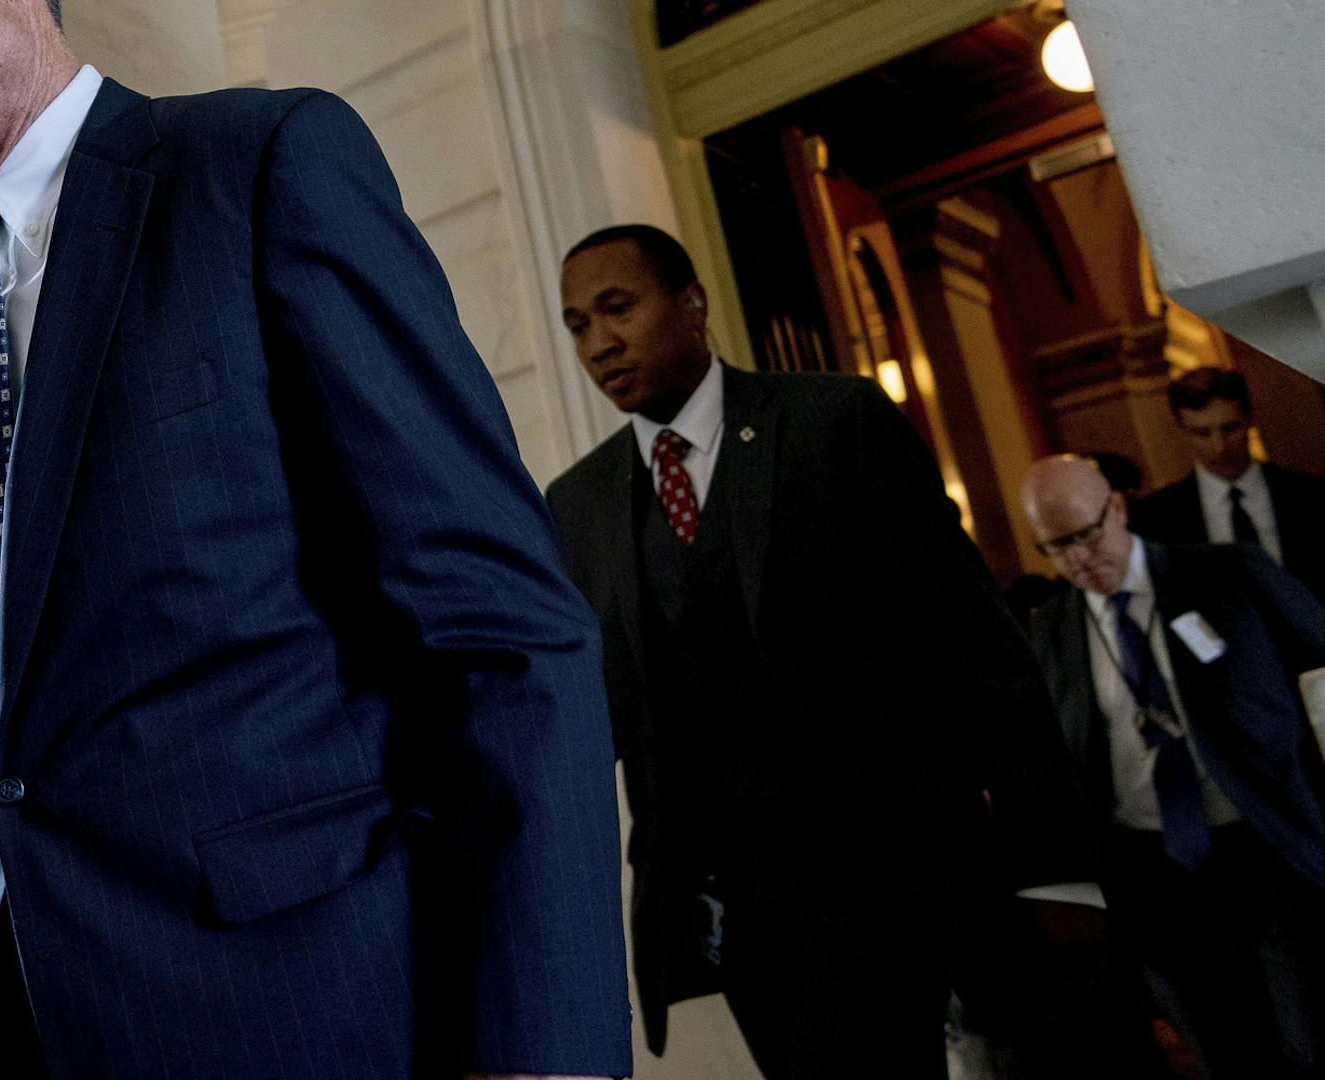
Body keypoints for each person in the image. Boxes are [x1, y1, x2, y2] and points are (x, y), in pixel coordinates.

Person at [0, 0, 633, 1080]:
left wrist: (543, 1044)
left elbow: (502, 629)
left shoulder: (259, 168)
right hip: (24, 1016)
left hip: (302, 1010)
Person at [544, 224, 1094, 1079]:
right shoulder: (577, 504)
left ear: (693, 303)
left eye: (618, 308)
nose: (598, 343)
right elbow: (599, 714)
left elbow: (976, 642)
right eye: (578, 324)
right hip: (733, 916)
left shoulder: (835, 421)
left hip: (888, 878)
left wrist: (1053, 865)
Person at [1018, 454, 1325, 1079]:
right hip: (1155, 874)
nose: (1080, 558)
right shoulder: (1049, 632)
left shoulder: (1227, 573)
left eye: (1087, 535)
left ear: (1118, 508)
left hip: (1263, 847)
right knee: (1223, 1053)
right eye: (1058, 547)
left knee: (1307, 1038)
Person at [1131, 365, 1325, 598]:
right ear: (1181, 428)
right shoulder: (1158, 516)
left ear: (1249, 419)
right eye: (1202, 433)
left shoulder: (1310, 494)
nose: (1220, 446)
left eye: (1230, 428)